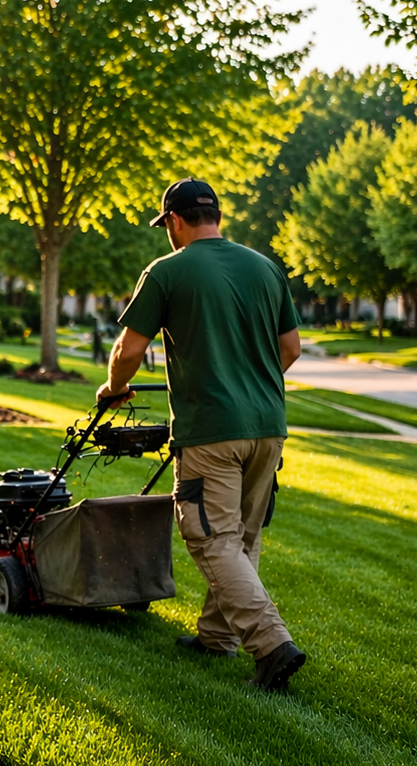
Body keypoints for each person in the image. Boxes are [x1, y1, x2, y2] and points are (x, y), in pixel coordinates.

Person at [96, 178, 305, 691]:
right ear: (215, 215)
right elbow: (292, 348)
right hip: (267, 427)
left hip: (212, 431)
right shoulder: (264, 267)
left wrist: (113, 388)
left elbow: (126, 351)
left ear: (174, 220)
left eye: (166, 224)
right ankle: (217, 636)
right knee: (243, 537)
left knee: (210, 537)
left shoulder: (167, 271)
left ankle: (272, 644)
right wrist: (251, 385)